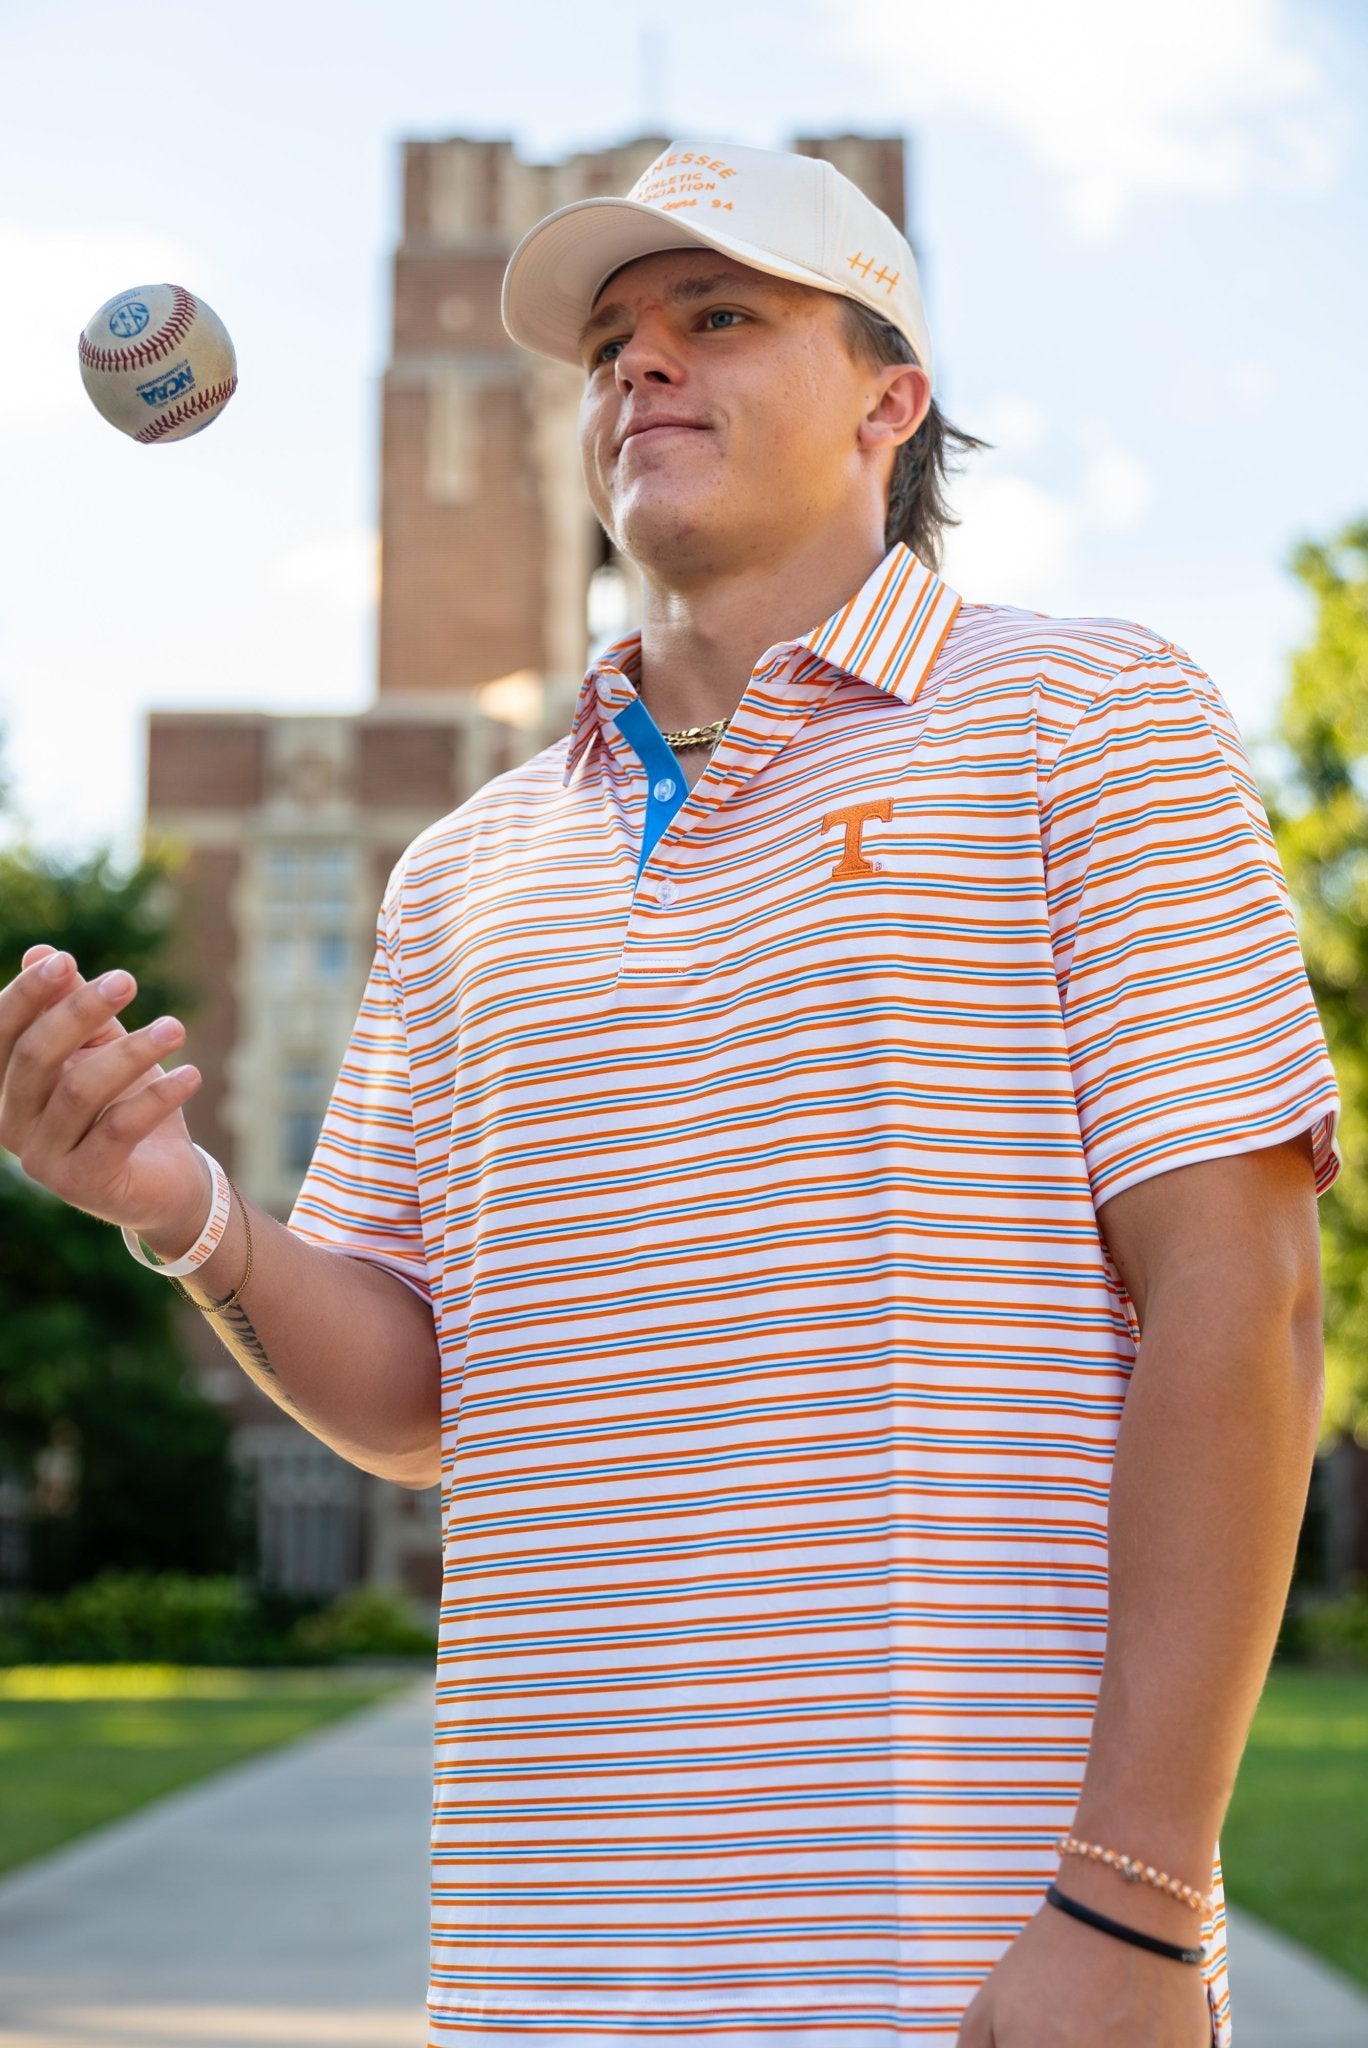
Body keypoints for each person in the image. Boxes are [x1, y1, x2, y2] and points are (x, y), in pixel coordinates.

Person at [0, 141, 1339, 2048]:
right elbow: (418, 1396)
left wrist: (1134, 1906)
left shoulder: (1093, 717)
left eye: (719, 315)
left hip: (964, 1952)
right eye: (613, 340)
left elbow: (1246, 1304)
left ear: (894, 396)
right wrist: (182, 1212)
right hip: (543, 1961)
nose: (643, 364)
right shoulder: (459, 870)